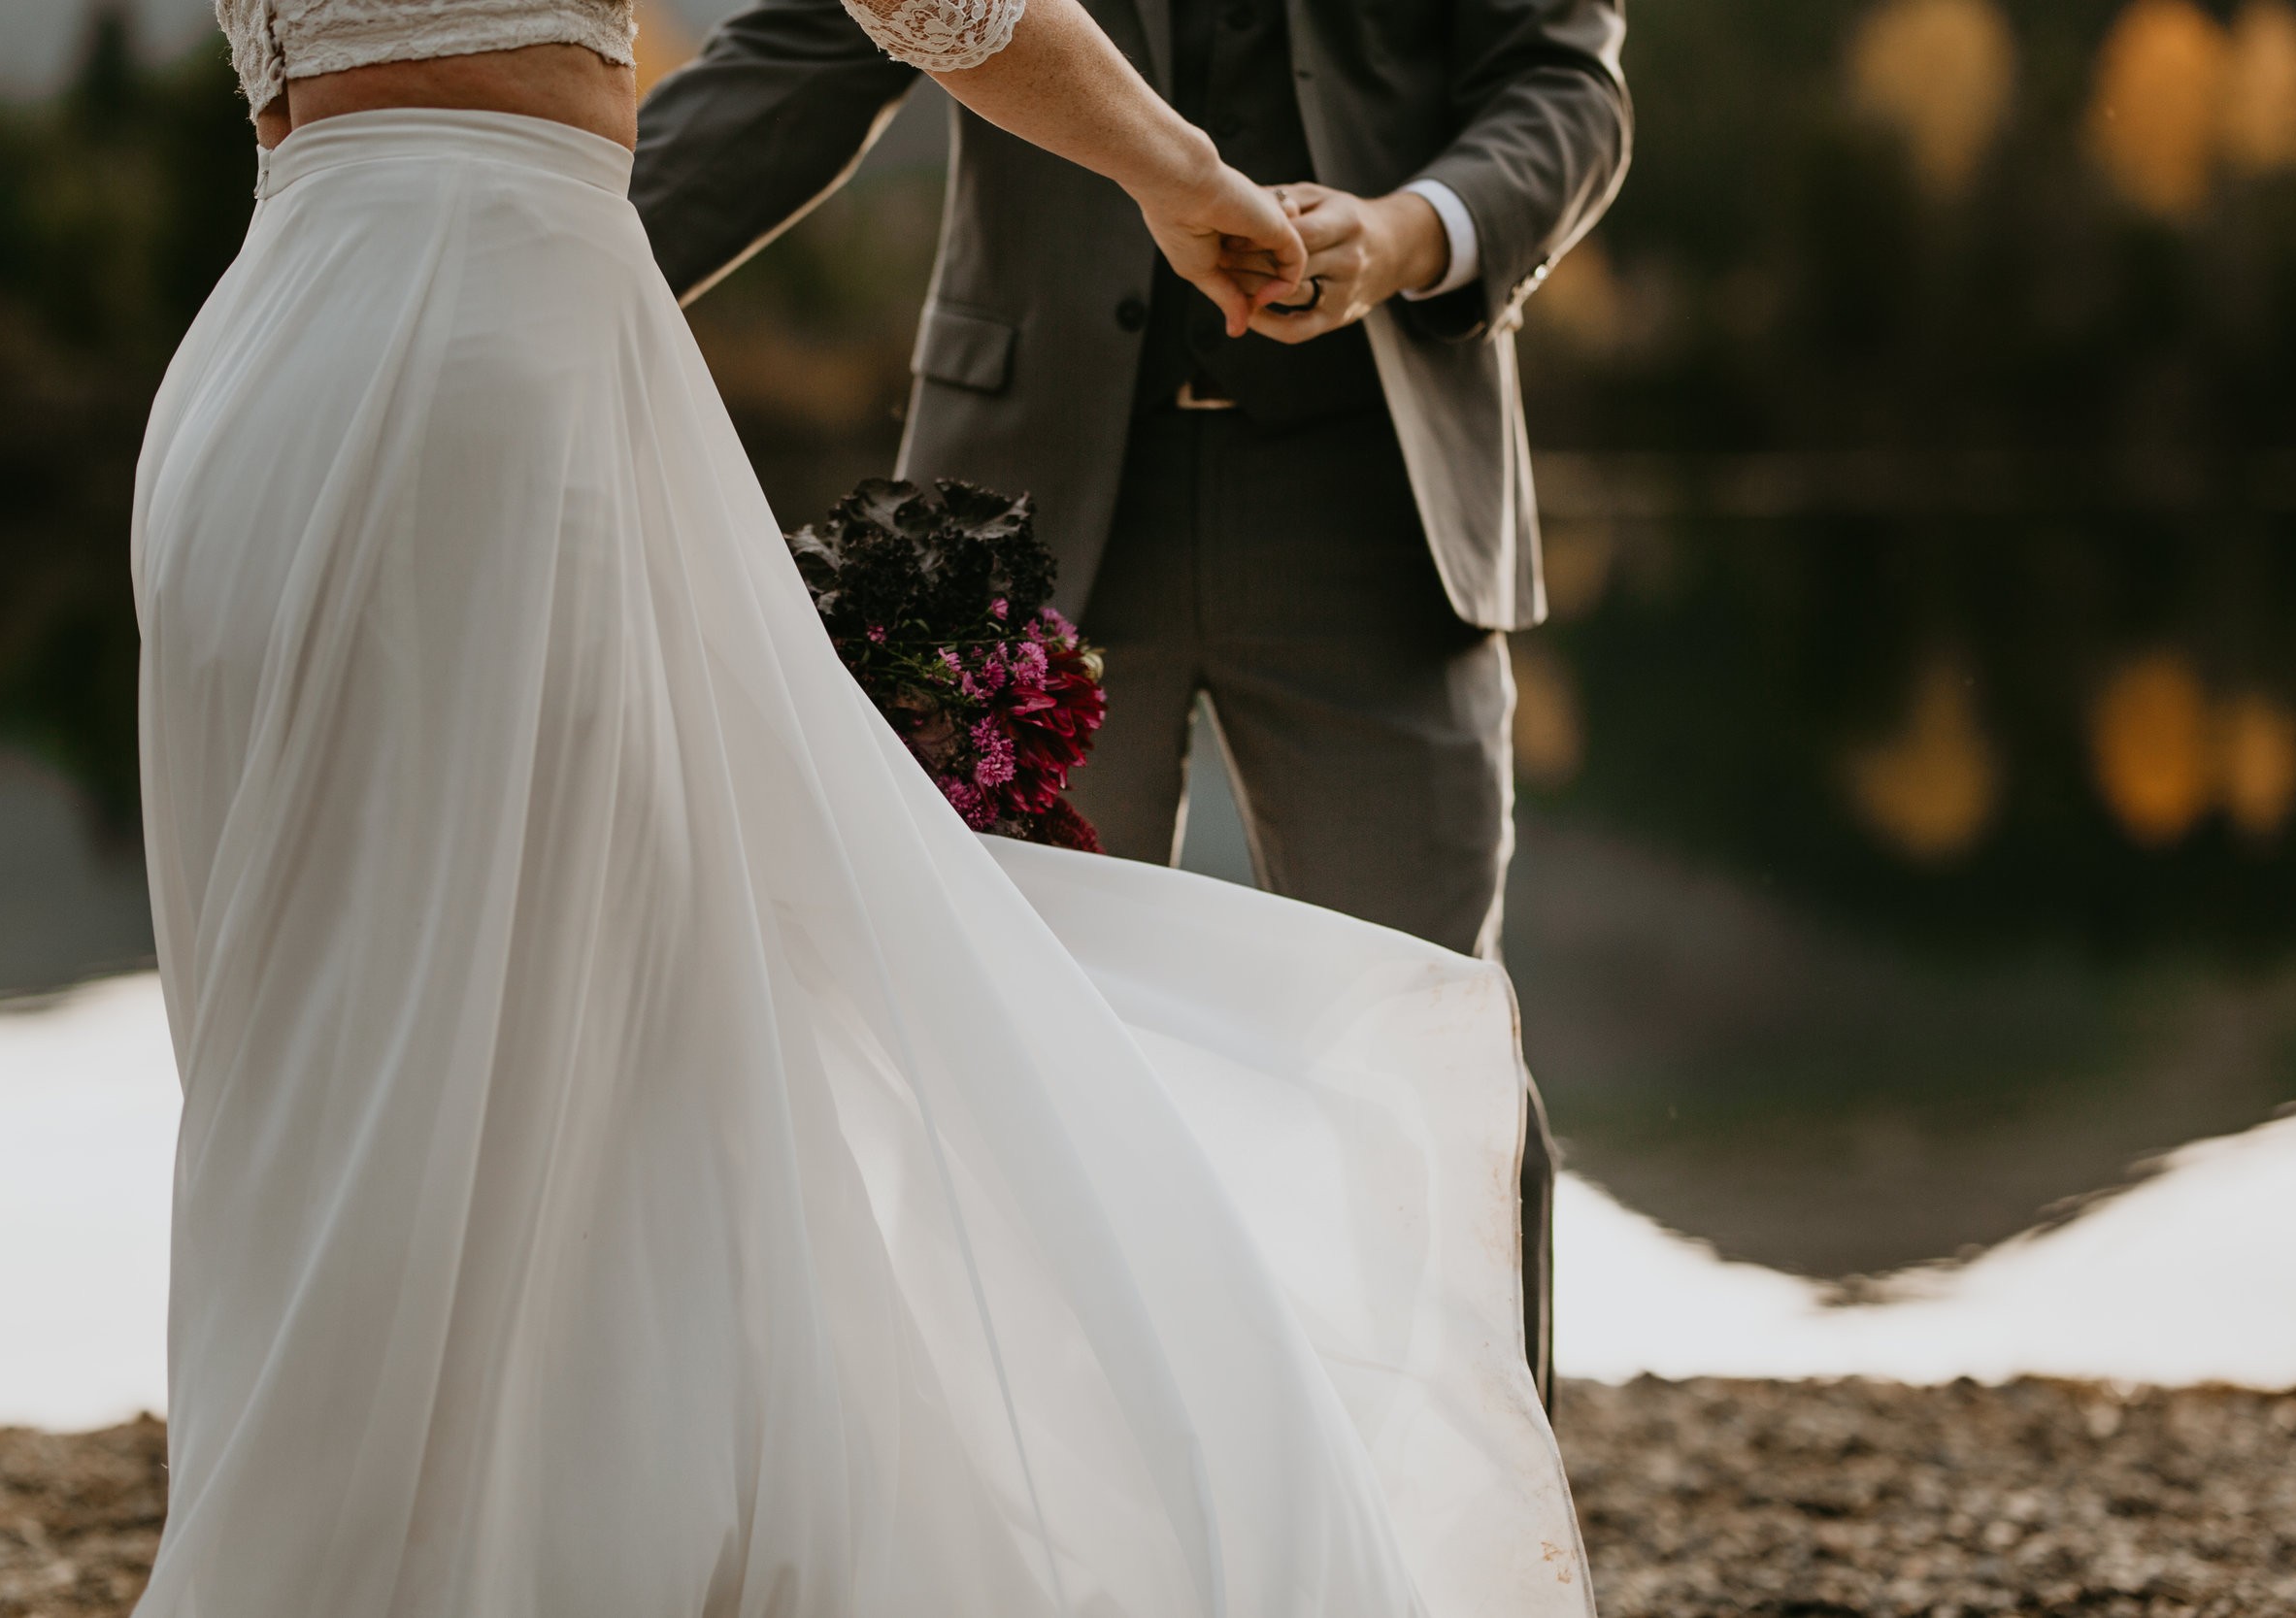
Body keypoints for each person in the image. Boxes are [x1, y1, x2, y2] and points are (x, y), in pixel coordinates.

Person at [129, 2, 1588, 1612]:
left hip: (288, 333)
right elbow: (869, 27)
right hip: (706, 409)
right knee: (865, 1033)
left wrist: (1395, 233)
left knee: (357, 1030)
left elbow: (1560, 92)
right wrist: (1180, 173)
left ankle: (336, 1541)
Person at [629, 0, 1627, 1412]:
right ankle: (1037, 1522)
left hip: (1379, 510)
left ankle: (1458, 1536)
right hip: (1022, 509)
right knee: (1006, 1068)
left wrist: (1408, 232)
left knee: (1429, 1060)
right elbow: (809, 48)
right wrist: (542, 264)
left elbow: (1563, 87)